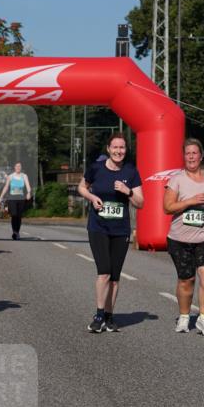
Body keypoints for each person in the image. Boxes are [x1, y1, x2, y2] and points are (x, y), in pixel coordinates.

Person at [76, 133, 144, 333]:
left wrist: (128, 191)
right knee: (104, 272)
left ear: (126, 150)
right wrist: (91, 197)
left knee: (114, 277)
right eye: (115, 147)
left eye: (122, 148)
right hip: (98, 227)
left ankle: (109, 315)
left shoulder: (131, 172)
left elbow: (141, 202)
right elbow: (82, 187)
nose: (118, 151)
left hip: (120, 229)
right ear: (108, 149)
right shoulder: (96, 168)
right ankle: (98, 315)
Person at [163, 137, 204, 336]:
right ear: (184, 156)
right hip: (180, 239)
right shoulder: (177, 180)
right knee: (186, 280)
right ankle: (184, 317)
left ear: (201, 156)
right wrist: (189, 201)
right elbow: (167, 207)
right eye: (187, 153)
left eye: (194, 153)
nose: (191, 157)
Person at [0, 161, 32, 240]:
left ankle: (17, 232)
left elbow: (28, 186)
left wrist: (29, 193)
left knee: (19, 216)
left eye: (19, 166)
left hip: (21, 198)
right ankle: (14, 232)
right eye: (17, 166)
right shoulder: (10, 176)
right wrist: (1, 197)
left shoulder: (24, 176)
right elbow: (6, 187)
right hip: (12, 198)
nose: (18, 167)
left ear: (21, 167)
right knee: (14, 214)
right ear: (14, 167)